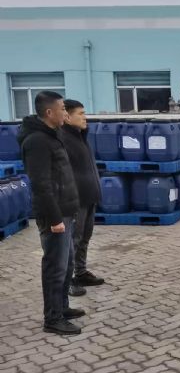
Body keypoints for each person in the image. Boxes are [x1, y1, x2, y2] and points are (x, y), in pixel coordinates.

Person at [17, 91, 85, 335]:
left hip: (66, 211)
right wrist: (55, 219)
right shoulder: (37, 141)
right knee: (55, 268)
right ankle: (53, 318)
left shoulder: (53, 136)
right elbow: (41, 184)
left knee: (66, 266)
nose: (65, 113)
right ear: (49, 112)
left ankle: (63, 307)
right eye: (62, 109)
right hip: (54, 216)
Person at [60, 99, 104, 297]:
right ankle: (67, 280)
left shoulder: (80, 137)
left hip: (89, 196)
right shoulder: (63, 140)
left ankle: (81, 272)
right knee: (73, 240)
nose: (85, 117)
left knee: (85, 237)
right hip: (76, 199)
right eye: (81, 113)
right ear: (67, 117)